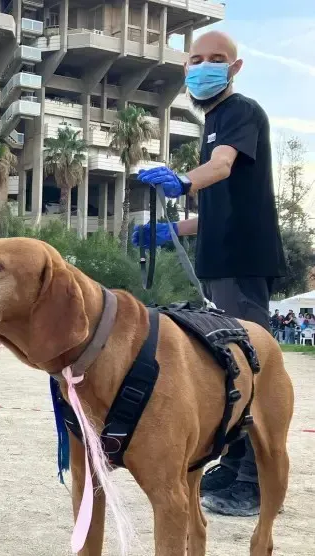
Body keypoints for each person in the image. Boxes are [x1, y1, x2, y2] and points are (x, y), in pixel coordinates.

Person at [132, 30, 287, 518]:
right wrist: (171, 229)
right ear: (185, 69)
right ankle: (235, 458)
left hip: (242, 262)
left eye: (216, 60)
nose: (204, 67)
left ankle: (254, 481)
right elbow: (218, 208)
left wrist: (182, 180)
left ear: (234, 68)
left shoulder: (239, 113)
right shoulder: (214, 121)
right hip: (221, 263)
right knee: (228, 364)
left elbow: (219, 169)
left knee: (247, 363)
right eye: (196, 60)